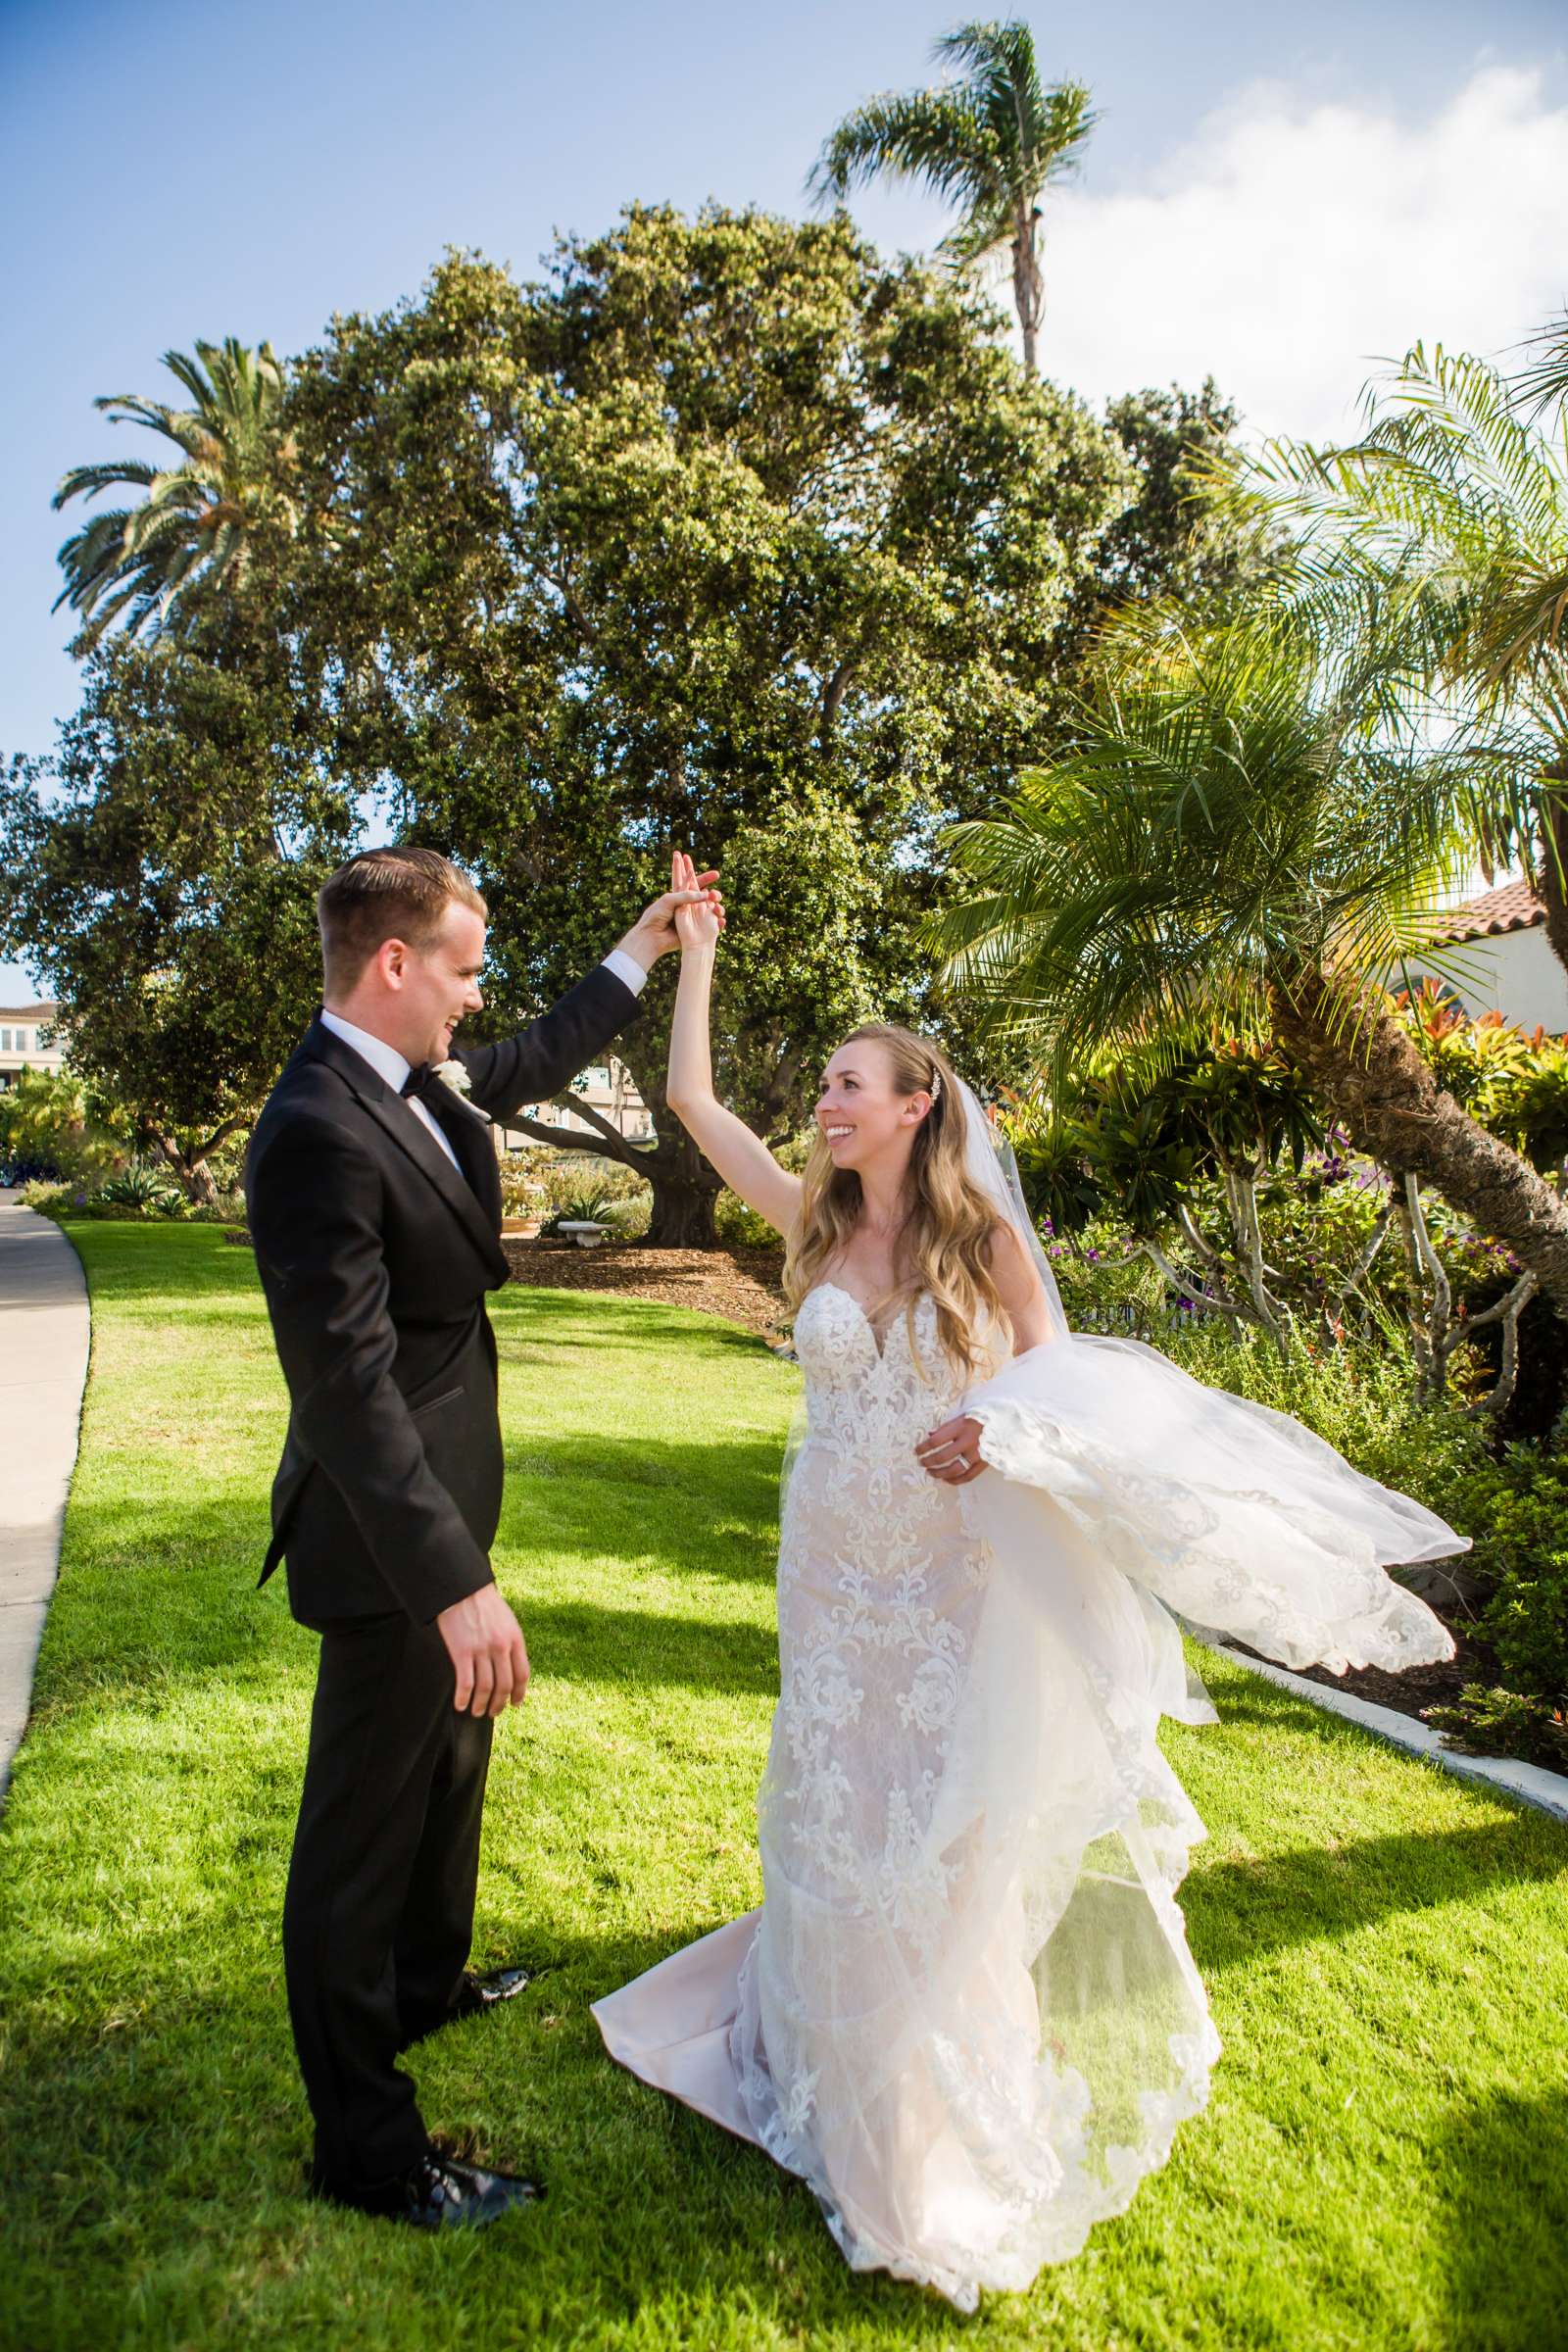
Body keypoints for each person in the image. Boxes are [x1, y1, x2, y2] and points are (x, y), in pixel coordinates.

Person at [591, 853, 1467, 2312]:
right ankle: (818, 2040)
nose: (827, 1102)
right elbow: (691, 1106)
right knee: (835, 1792)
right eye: (823, 1084)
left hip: (944, 1576)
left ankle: (925, 2083)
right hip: (828, 1569)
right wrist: (694, 955)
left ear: (917, 1104)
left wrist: (991, 1424)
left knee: (936, 1821)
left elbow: (1058, 1383)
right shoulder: (810, 1219)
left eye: (852, 1083)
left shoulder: (978, 1236)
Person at [245, 845, 720, 2231]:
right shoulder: (316, 1130)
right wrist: (450, 1580)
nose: (473, 1000)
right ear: (393, 966)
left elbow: (534, 1054)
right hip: (392, 1539)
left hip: (455, 1496)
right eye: (458, 970)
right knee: (358, 1835)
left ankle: (426, 1981)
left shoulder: (413, 1076)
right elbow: (343, 1390)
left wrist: (645, 948)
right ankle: (371, 2153)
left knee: (452, 1761)